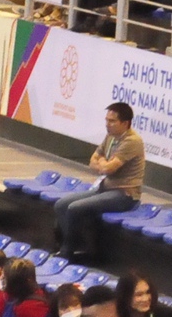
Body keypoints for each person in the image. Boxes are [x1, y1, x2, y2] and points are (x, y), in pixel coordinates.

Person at [53, 103, 144, 260]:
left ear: (125, 123)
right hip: (105, 188)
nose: (107, 124)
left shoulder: (132, 141)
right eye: (107, 120)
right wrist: (103, 163)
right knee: (61, 204)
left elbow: (109, 169)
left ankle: (68, 251)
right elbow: (92, 160)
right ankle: (77, 245)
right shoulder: (110, 137)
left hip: (124, 194)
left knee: (75, 208)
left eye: (112, 121)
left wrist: (102, 164)